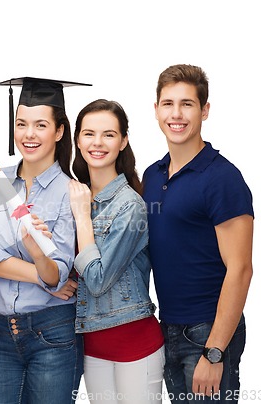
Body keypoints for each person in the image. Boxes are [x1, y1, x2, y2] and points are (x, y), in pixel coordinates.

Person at [142, 64, 254, 403]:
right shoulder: (151, 175)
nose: (176, 114)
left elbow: (241, 269)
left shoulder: (222, 178)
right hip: (167, 328)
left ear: (204, 110)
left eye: (187, 104)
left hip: (208, 333)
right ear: (156, 110)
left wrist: (215, 351)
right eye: (168, 104)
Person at [0, 77, 89, 403]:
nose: (28, 134)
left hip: (52, 334)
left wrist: (40, 257)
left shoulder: (71, 192)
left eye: (40, 125)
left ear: (58, 132)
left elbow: (57, 271)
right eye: (21, 124)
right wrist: (41, 278)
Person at [69, 99, 165, 403]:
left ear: (123, 141)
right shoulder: (75, 194)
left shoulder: (130, 205)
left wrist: (82, 217)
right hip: (91, 344)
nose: (98, 143)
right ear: (77, 140)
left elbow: (97, 280)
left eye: (109, 134)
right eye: (89, 134)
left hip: (134, 342)